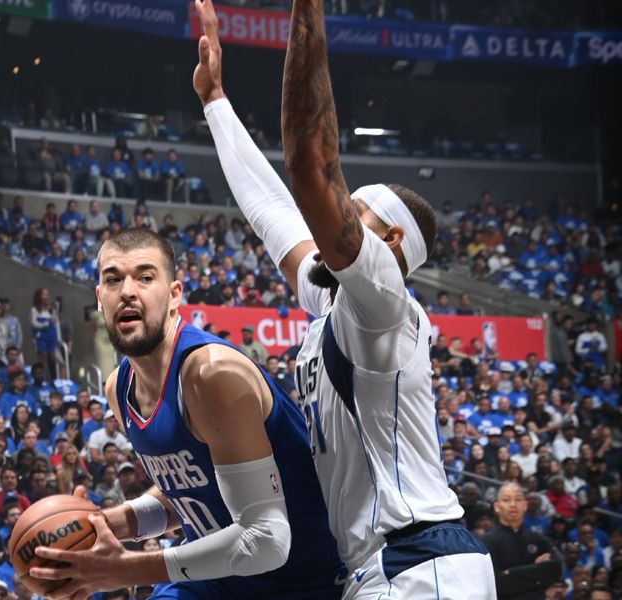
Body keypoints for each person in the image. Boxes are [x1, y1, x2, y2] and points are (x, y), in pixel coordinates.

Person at [194, 1, 494, 597]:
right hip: (384, 569)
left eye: (350, 211)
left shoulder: (382, 298)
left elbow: (309, 168)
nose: (329, 217)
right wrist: (215, 102)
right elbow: (273, 213)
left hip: (419, 563)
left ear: (389, 240)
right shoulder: (336, 304)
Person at [28, 227, 345, 598]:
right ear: (100, 298)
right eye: (113, 280)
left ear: (175, 294)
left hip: (300, 585)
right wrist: (111, 523)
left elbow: (267, 540)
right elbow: (192, 498)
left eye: (145, 277)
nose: (128, 291)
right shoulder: (118, 388)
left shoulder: (211, 374)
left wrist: (123, 569)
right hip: (213, 582)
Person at [482, 483, 562, 599]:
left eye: (518, 499)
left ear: (525, 505)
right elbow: (498, 583)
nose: (513, 505)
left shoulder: (538, 539)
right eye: (506, 500)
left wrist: (511, 573)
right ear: (497, 506)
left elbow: (556, 568)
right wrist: (537, 573)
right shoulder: (487, 541)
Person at [30, 288, 59, 382]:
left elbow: (55, 321)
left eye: (47, 294)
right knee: (43, 356)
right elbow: (33, 323)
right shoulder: (34, 310)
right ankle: (42, 378)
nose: (46, 296)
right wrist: (44, 324)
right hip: (41, 335)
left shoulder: (50, 309)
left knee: (53, 358)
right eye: (43, 294)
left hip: (51, 335)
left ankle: (54, 379)